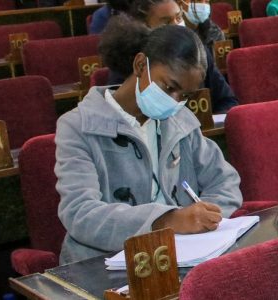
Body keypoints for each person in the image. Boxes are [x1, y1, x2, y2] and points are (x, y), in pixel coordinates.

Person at [58, 21, 241, 263]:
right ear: (139, 65)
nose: (175, 101)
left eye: (185, 95)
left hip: (181, 255)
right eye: (169, 87)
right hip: (104, 262)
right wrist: (166, 220)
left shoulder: (179, 119)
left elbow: (225, 180)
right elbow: (80, 213)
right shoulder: (77, 126)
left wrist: (206, 218)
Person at [116, 0, 238, 113]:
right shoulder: (129, 61)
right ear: (144, 26)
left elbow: (228, 101)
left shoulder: (199, 54)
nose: (176, 25)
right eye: (166, 22)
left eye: (178, 17)